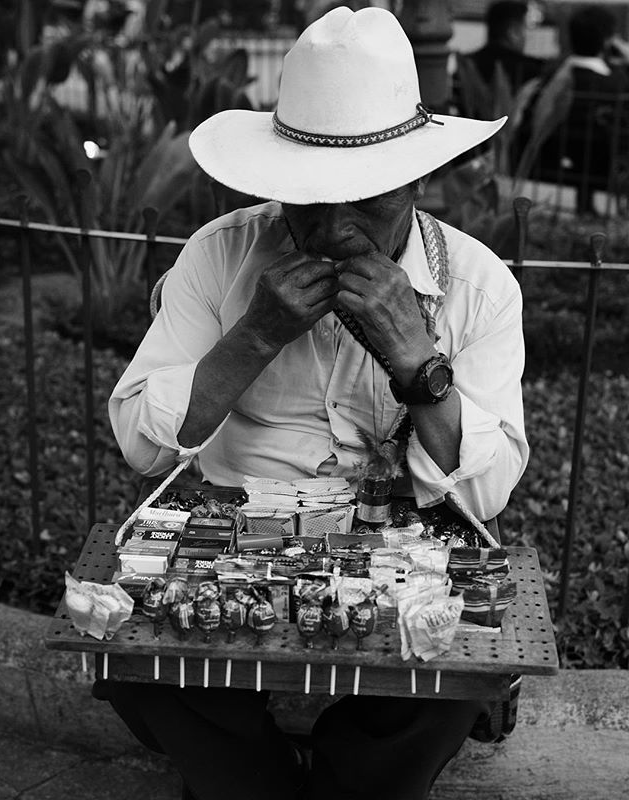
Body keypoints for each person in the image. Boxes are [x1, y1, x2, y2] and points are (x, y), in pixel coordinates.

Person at [101, 7, 528, 800]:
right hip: (231, 532)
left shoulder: (477, 287)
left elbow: (487, 490)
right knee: (136, 666)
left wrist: (415, 359)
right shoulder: (220, 254)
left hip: (403, 551)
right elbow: (139, 443)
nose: (332, 228)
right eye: (307, 199)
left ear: (417, 179)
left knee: (445, 686)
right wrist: (252, 338)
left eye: (364, 200)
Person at [523, 4, 629, 213]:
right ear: (608, 40)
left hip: (553, 158)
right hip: (605, 165)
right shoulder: (616, 83)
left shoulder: (553, 78)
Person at [465, 1, 545, 94]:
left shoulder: (467, 64)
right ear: (513, 32)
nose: (528, 37)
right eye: (526, 28)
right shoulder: (529, 70)